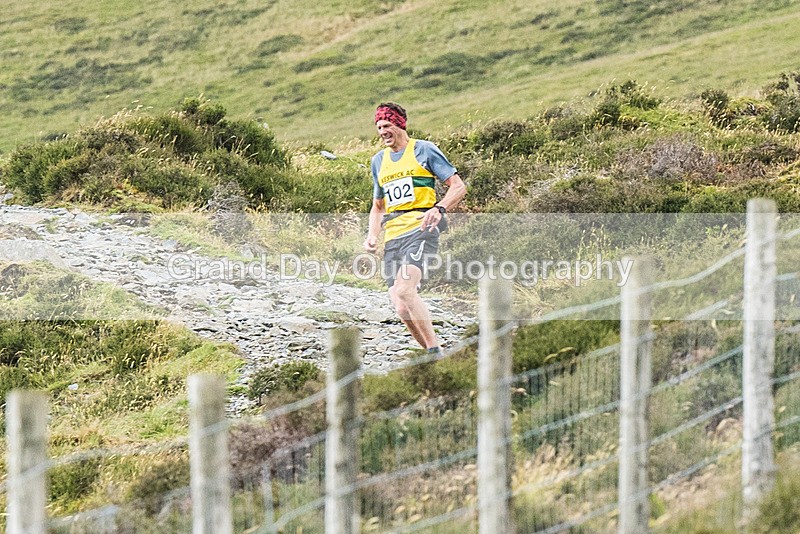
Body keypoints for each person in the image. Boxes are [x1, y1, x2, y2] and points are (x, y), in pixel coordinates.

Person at [363, 102, 466, 353]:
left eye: (387, 125)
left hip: (421, 230)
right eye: (379, 127)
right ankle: (432, 355)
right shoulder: (378, 161)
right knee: (400, 306)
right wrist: (372, 236)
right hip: (393, 236)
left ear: (400, 125)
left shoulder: (424, 150)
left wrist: (439, 208)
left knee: (405, 290)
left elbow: (458, 186)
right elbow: (378, 206)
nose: (382, 132)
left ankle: (434, 350)